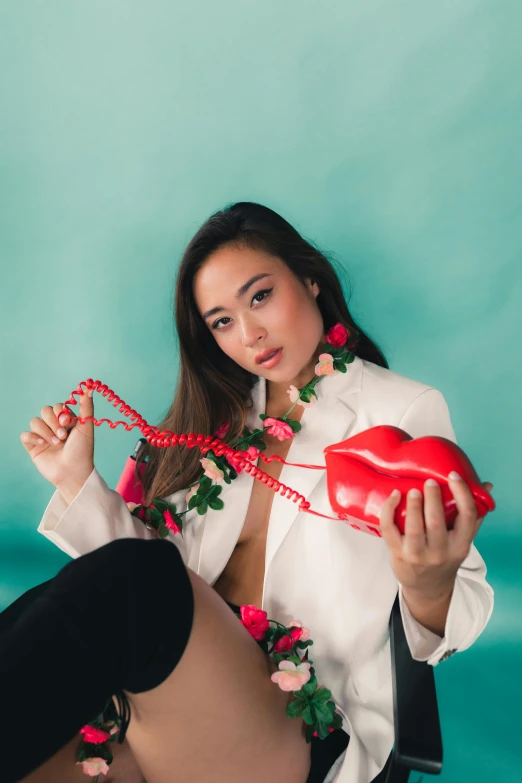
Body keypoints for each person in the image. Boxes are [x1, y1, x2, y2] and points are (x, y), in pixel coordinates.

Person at [8, 201, 494, 783]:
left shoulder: (399, 410)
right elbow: (162, 591)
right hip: (172, 706)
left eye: (260, 296)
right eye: (221, 321)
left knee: (137, 578)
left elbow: (465, 610)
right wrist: (73, 481)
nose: (250, 334)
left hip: (297, 727)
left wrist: (427, 584)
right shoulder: (220, 421)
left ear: (310, 279)